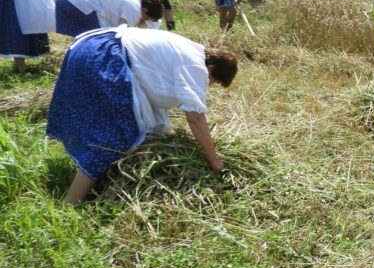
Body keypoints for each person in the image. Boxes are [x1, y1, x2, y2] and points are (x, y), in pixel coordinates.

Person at [46, 26, 238, 204]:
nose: (208, 85)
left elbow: (152, 87)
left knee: (109, 125)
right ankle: (70, 204)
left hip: (90, 47)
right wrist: (214, 160)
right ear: (211, 69)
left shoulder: (189, 50)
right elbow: (195, 117)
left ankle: (92, 176)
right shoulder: (196, 66)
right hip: (107, 57)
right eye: (212, 82)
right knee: (115, 136)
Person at [55, 0, 163, 36]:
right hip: (82, 3)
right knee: (102, 38)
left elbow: (154, 24)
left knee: (82, 39)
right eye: (147, 18)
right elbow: (122, 33)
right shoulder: (135, 8)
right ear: (144, 10)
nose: (144, 20)